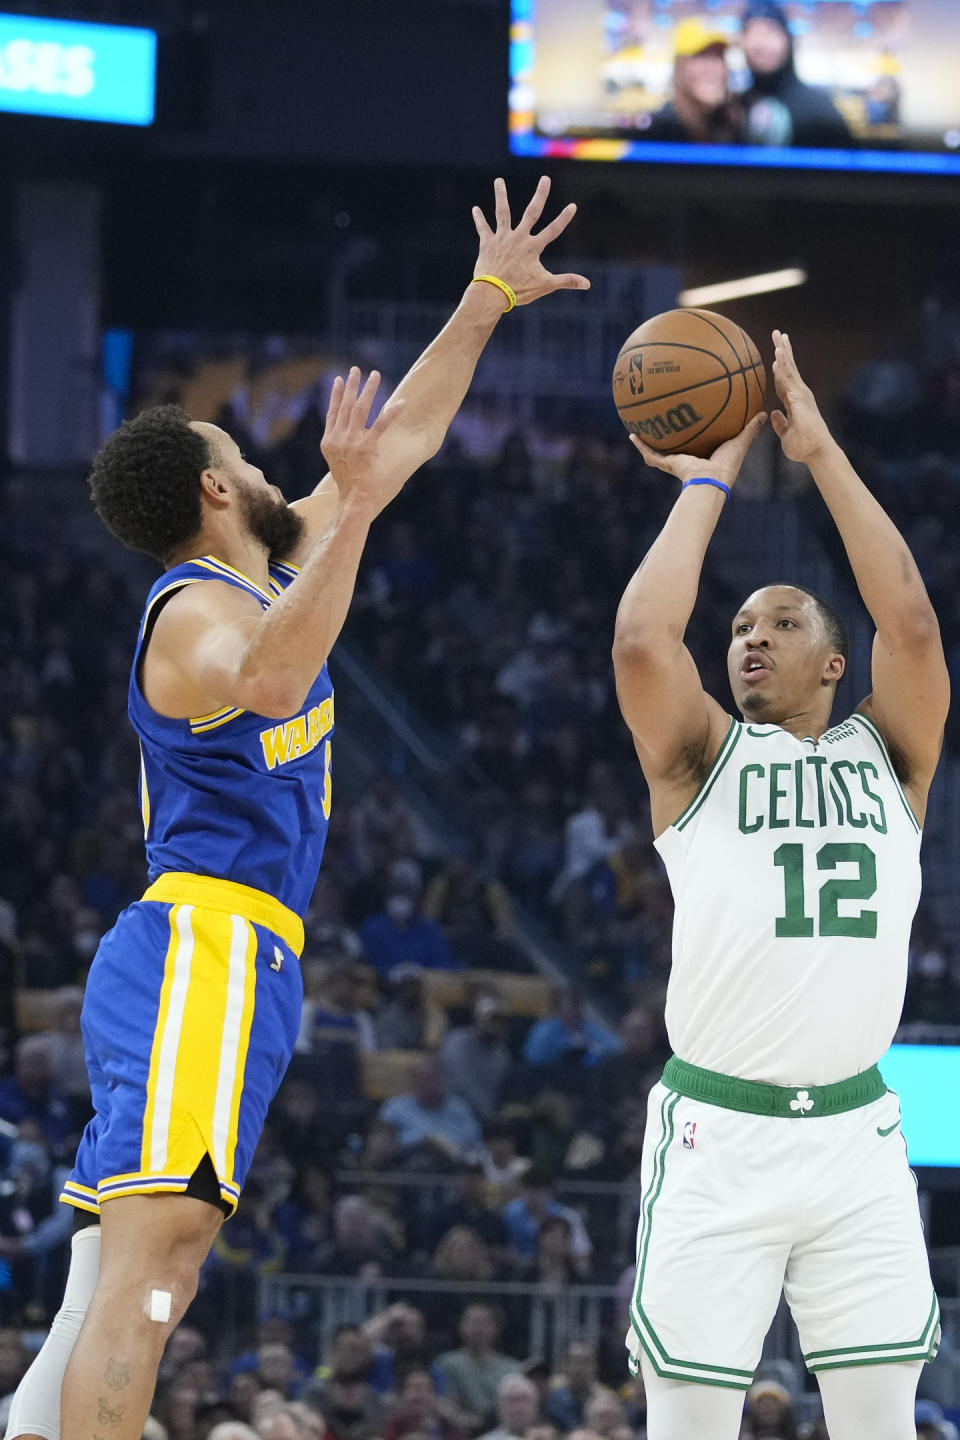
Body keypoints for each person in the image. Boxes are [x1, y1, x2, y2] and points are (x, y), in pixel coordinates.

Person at [5, 176, 589, 1440]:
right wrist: (358, 507)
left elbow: (404, 443)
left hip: (230, 954)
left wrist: (486, 298)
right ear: (217, 492)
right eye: (243, 454)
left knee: (121, 1275)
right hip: (202, 947)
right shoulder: (197, 611)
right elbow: (271, 678)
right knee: (156, 1273)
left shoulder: (270, 566)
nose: (268, 464)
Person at [612, 329, 948, 1439]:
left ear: (836, 664)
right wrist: (712, 475)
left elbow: (908, 617)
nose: (751, 637)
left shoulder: (891, 756)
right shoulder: (701, 759)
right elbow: (642, 639)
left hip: (857, 1138)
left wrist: (817, 451)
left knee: (881, 1428)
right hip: (720, 1136)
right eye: (743, 625)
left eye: (783, 621)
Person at [740, 0, 851, 149]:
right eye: (751, 32)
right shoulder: (733, 110)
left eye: (769, 32)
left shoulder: (820, 112)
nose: (760, 43)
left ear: (788, 41)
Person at [645, 17, 743, 145]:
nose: (712, 69)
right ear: (680, 67)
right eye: (701, 56)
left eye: (718, 57)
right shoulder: (663, 129)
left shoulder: (730, 122)